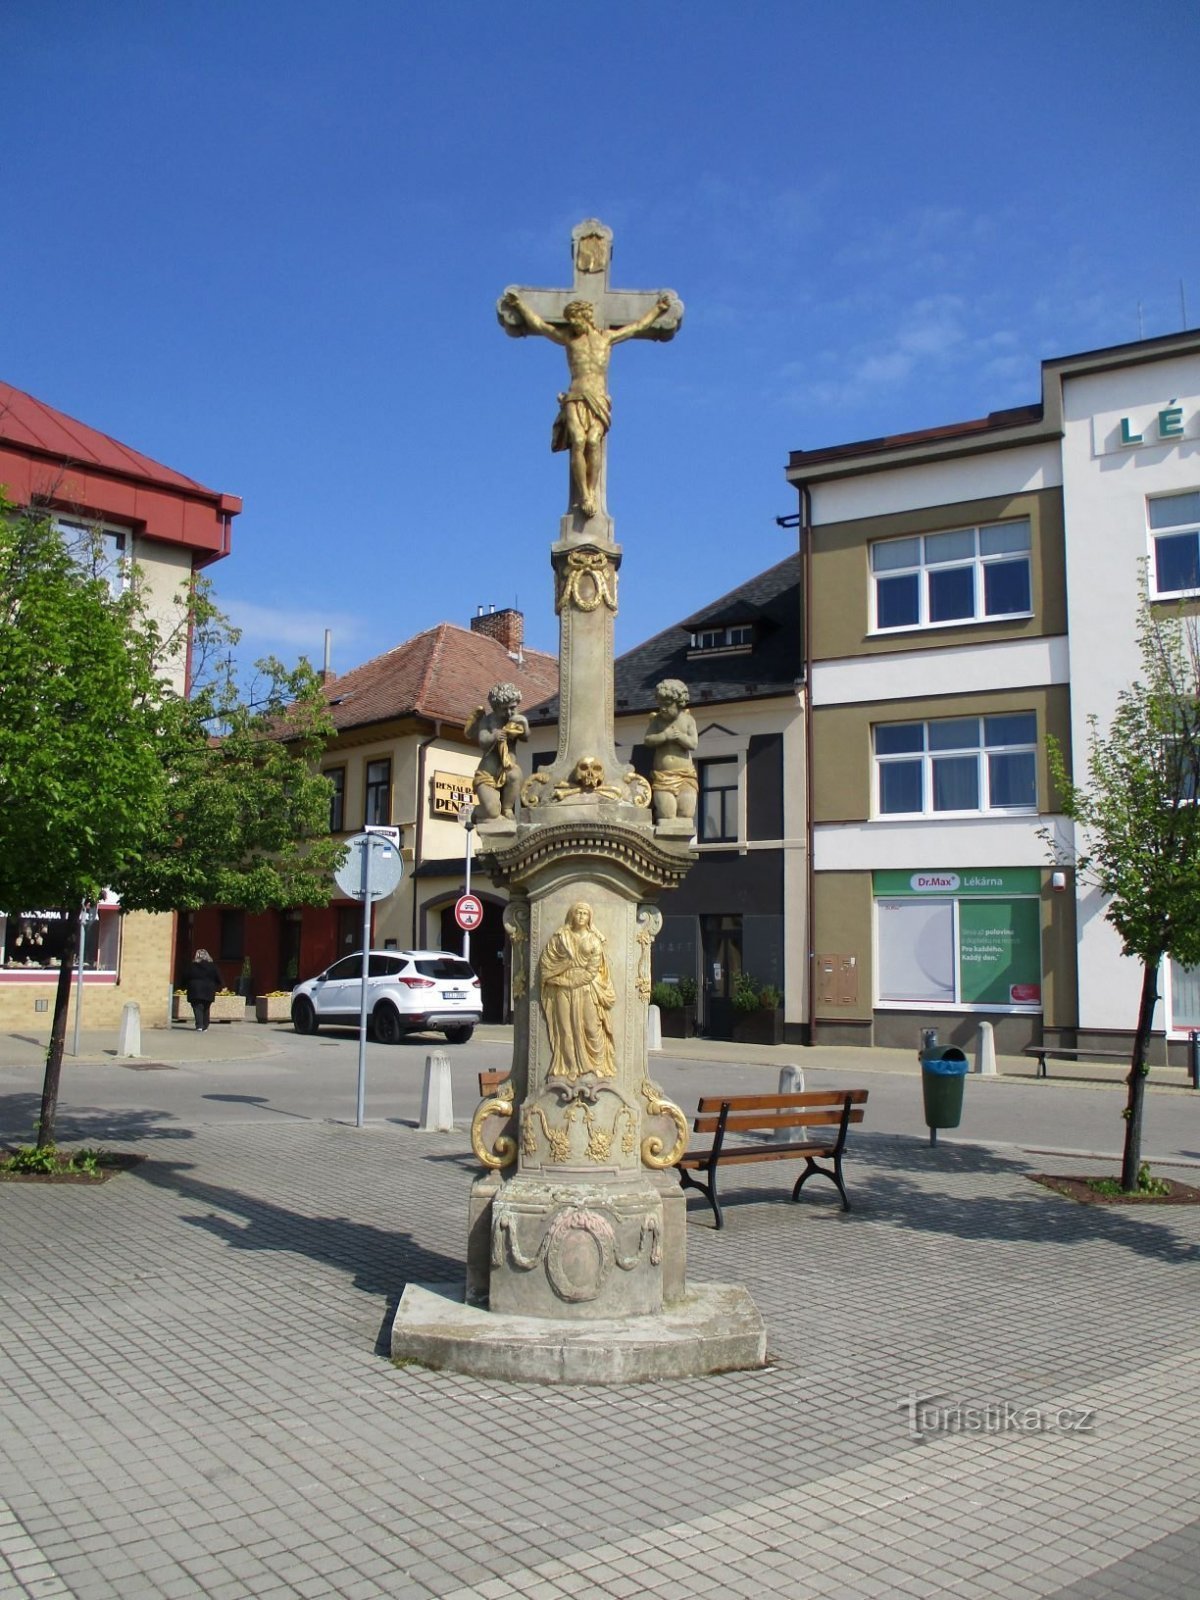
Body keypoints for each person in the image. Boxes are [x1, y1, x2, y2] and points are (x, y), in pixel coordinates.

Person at [501, 290, 672, 518]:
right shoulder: (569, 341)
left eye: (577, 320)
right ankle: (585, 496)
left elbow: (638, 326)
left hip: (598, 399)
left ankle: (592, 491)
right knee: (579, 441)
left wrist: (658, 310)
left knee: (593, 442)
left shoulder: (606, 339)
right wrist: (521, 306)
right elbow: (541, 326)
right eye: (571, 321)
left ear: (587, 317)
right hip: (575, 396)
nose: (574, 324)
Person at [539, 902, 616, 1079]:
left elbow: (592, 971)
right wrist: (560, 979)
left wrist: (570, 982)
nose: (581, 916)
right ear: (572, 915)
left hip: (586, 989)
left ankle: (597, 1065)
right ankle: (571, 1066)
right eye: (578, 913)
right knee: (565, 1029)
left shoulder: (594, 941)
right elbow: (546, 963)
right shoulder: (560, 937)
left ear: (590, 918)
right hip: (562, 989)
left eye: (585, 913)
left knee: (591, 1028)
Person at [465, 683, 529, 821]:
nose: (509, 713)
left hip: (507, 769)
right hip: (488, 774)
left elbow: (525, 737)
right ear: (495, 708)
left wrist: (524, 724)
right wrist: (494, 736)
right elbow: (482, 741)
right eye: (504, 710)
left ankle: (507, 808)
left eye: (512, 708)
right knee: (493, 813)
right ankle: (477, 811)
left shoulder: (515, 719)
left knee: (515, 774)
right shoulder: (487, 720)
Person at [642, 678, 698, 825]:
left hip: (685, 776)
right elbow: (648, 740)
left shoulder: (688, 720)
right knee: (667, 815)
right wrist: (664, 736)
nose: (663, 709)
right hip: (663, 778)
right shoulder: (657, 721)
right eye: (660, 705)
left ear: (679, 703)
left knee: (686, 813)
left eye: (667, 705)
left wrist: (681, 737)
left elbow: (693, 744)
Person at [183, 947, 222, 1032]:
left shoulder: (192, 966)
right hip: (209, 989)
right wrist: (220, 986)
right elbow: (218, 977)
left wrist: (183, 986)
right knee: (206, 1007)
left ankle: (199, 1025)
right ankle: (205, 1026)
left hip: (195, 989)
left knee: (197, 1007)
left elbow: (185, 976)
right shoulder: (213, 966)